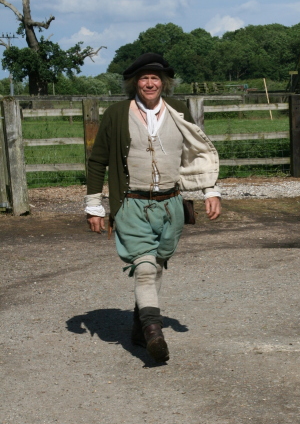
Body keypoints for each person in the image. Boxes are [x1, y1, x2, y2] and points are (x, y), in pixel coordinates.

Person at [85, 52, 221, 364]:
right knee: (145, 268)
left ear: (164, 83)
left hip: (171, 204)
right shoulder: (117, 113)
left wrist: (210, 190)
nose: (149, 83)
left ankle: (139, 324)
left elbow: (197, 151)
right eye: (144, 78)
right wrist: (94, 206)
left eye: (155, 78)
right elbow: (98, 161)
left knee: (156, 264)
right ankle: (153, 332)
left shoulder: (178, 109)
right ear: (135, 83)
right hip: (131, 203)